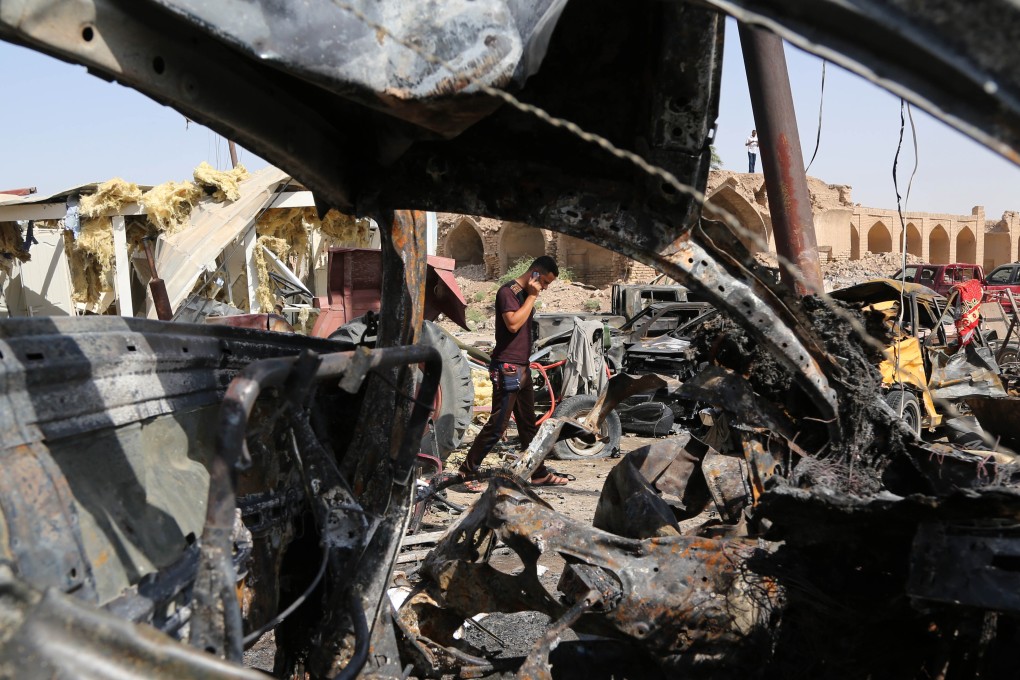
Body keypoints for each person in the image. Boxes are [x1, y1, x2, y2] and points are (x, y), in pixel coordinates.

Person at [458, 256, 570, 490]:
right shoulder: (507, 292)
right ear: (535, 274)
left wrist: (531, 296)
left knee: (529, 426)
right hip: (507, 368)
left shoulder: (525, 294)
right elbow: (512, 324)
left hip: (522, 367)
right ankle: (466, 473)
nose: (546, 288)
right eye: (546, 282)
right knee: (497, 426)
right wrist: (532, 296)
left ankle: (538, 473)